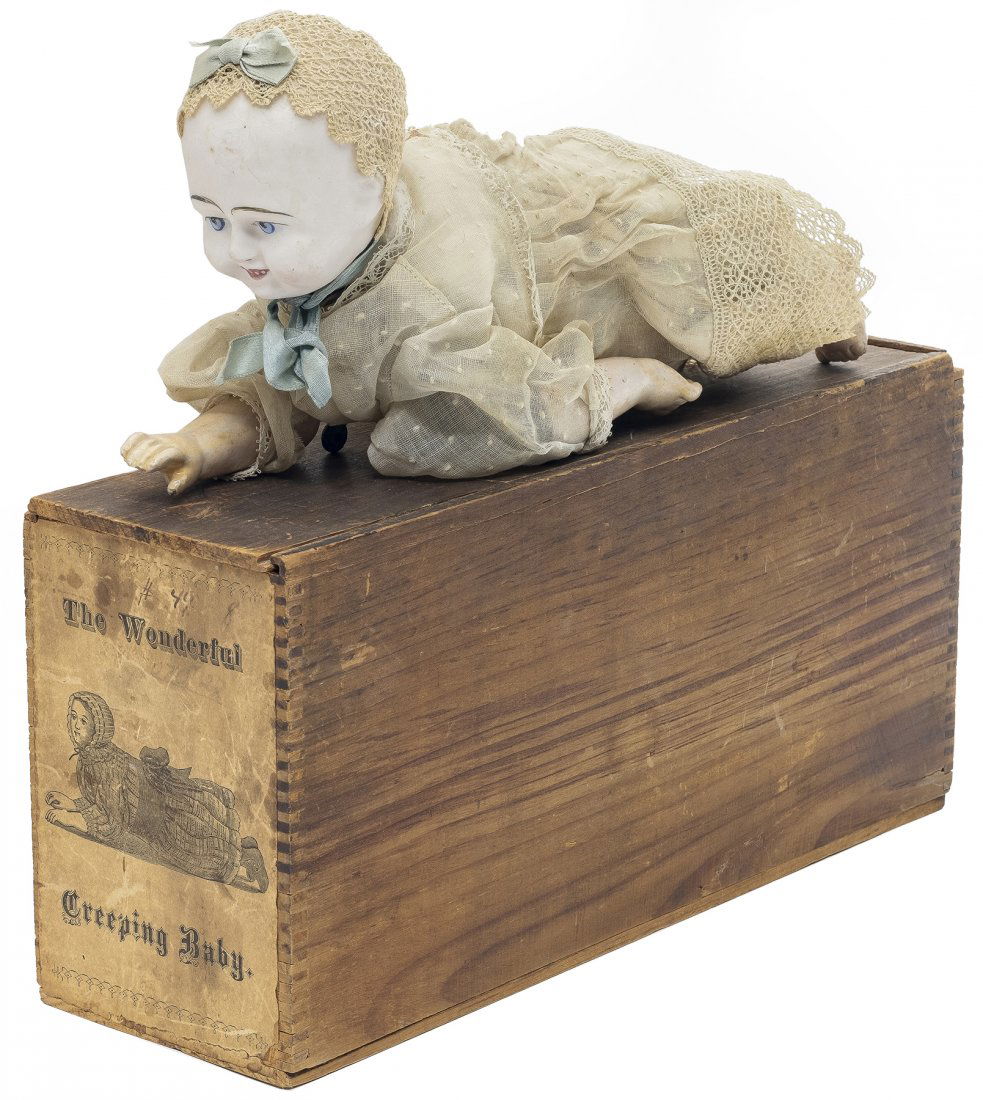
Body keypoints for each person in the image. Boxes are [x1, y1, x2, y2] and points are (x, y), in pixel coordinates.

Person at [122, 10, 872, 493]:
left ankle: (632, 376)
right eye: (212, 220)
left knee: (713, 267)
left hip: (581, 266)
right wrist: (200, 445)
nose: (238, 253)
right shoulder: (315, 266)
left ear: (375, 190)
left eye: (264, 226)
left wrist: (615, 382)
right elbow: (271, 385)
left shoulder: (427, 302)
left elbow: (509, 406)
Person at [44, 692, 268, 892]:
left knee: (202, 860)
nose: (76, 725)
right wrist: (73, 804)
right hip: (157, 813)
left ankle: (246, 856)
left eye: (84, 721)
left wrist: (73, 820)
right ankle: (244, 846)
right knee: (206, 846)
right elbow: (105, 801)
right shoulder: (93, 757)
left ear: (98, 728)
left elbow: (113, 823)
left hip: (162, 820)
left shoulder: (103, 764)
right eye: (73, 717)